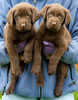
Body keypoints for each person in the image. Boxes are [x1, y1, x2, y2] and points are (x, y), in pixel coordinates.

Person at [0, 0, 78, 100]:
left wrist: (60, 52)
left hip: (61, 93)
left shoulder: (70, 1)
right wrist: (13, 50)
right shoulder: (7, 1)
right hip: (16, 92)